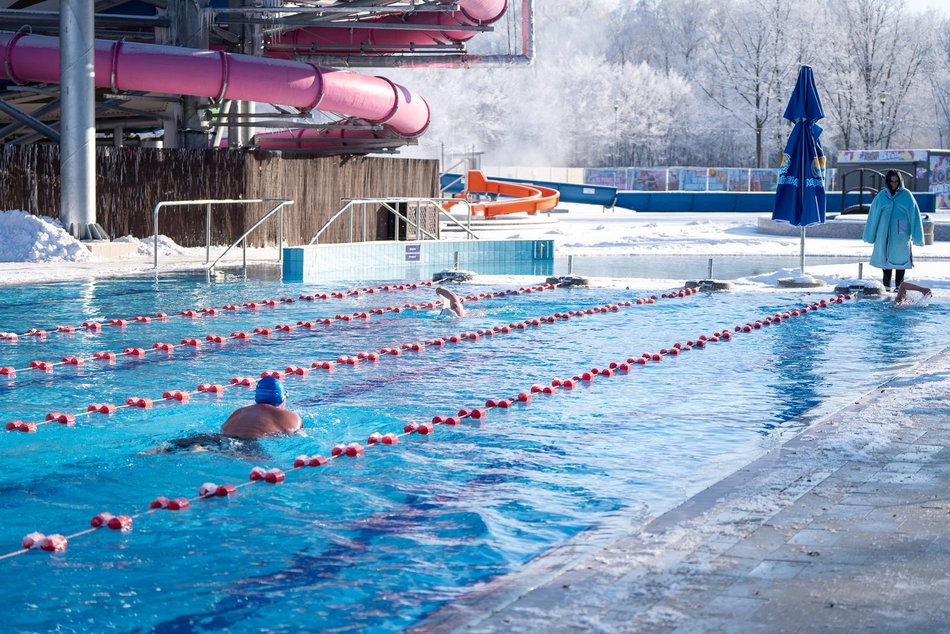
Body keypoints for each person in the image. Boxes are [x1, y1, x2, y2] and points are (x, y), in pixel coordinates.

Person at [863, 170, 925, 291]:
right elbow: (873, 217)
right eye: (891, 181)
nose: (894, 183)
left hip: (901, 235)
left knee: (900, 259)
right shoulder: (881, 196)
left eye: (896, 181)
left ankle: (899, 287)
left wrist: (917, 238)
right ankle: (886, 286)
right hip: (883, 234)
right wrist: (870, 236)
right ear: (888, 181)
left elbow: (915, 217)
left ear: (900, 181)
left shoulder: (907, 195)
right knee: (885, 260)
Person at [221, 376, 302, 439]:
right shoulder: (291, 417)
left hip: (222, 439)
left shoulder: (239, 412)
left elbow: (223, 429)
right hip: (249, 445)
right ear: (282, 398)